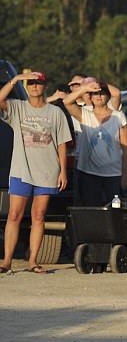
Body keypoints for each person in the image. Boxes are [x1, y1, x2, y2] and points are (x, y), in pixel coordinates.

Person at [0, 70, 70, 274]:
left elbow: (62, 143)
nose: (34, 87)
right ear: (25, 86)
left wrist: (63, 171)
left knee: (39, 216)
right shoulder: (17, 107)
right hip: (21, 170)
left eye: (38, 83)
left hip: (48, 171)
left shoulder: (55, 112)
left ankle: (33, 260)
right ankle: (7, 261)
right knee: (14, 215)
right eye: (30, 84)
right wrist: (14, 80)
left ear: (45, 86)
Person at [62, 79, 127, 207]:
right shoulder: (84, 114)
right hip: (88, 173)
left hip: (113, 173)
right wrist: (85, 88)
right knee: (90, 209)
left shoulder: (118, 116)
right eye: (95, 93)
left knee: (113, 210)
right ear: (90, 97)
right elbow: (67, 102)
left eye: (102, 93)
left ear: (108, 96)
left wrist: (125, 173)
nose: (99, 96)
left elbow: (126, 147)